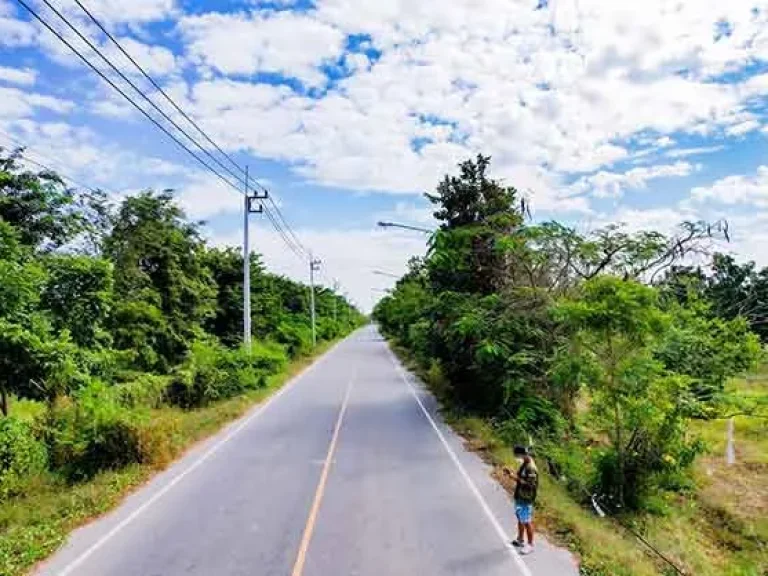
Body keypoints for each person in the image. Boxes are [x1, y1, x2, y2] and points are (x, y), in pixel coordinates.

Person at [509, 445, 538, 555]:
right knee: (520, 517)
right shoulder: (525, 463)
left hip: (526, 497)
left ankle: (530, 545)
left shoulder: (531, 468)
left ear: (522, 454)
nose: (517, 458)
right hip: (520, 495)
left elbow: (531, 485)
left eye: (517, 456)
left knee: (526, 521)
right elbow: (521, 477)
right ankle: (520, 539)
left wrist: (515, 478)